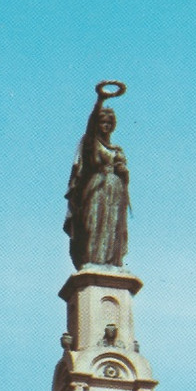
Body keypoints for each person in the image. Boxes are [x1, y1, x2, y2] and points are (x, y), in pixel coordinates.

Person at [64, 82, 129, 270]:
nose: (106, 126)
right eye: (103, 122)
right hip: (97, 187)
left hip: (115, 190)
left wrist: (124, 174)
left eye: (110, 123)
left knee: (113, 226)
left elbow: (124, 173)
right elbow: (90, 127)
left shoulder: (117, 149)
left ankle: (111, 262)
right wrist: (100, 100)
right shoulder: (91, 143)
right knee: (93, 224)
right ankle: (91, 260)